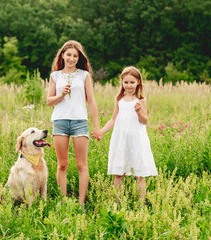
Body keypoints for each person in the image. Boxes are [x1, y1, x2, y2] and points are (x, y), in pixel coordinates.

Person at [92, 66, 157, 202]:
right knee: (119, 173)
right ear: (121, 82)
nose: (129, 85)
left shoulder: (141, 100)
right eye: (126, 82)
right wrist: (101, 131)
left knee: (140, 174)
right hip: (121, 139)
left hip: (137, 140)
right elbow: (113, 119)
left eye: (132, 82)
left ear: (138, 82)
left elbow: (144, 121)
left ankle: (141, 203)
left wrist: (139, 111)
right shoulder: (119, 99)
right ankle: (118, 202)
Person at [47, 40, 100, 205]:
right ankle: (63, 203)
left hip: (79, 122)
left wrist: (97, 127)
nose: (71, 58)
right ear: (62, 55)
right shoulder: (55, 76)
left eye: (75, 56)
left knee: (81, 165)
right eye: (68, 55)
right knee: (62, 165)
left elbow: (91, 101)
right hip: (60, 122)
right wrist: (61, 95)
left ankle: (81, 204)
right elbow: (49, 101)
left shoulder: (84, 75)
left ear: (79, 58)